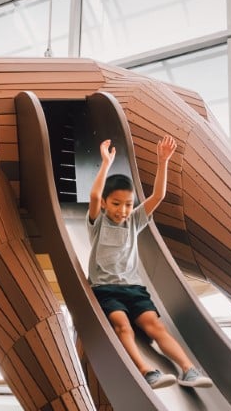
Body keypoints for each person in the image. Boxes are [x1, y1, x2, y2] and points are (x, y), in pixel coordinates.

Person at [88, 136, 213, 390]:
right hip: (105, 290)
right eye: (115, 204)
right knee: (122, 325)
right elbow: (93, 194)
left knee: (155, 326)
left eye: (127, 204)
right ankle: (146, 371)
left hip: (134, 289)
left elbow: (158, 195)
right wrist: (106, 164)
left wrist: (163, 161)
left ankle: (188, 370)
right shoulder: (98, 222)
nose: (122, 209)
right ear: (104, 204)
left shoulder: (134, 221)